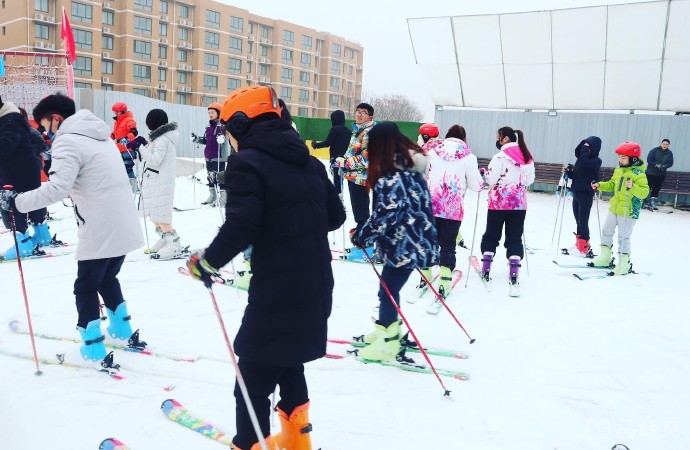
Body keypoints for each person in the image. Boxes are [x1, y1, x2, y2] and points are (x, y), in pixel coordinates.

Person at [185, 86, 345, 450]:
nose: (229, 138)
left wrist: (206, 262)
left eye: (229, 130)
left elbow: (243, 226)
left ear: (243, 124)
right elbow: (334, 216)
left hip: (278, 288)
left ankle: (251, 444)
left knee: (253, 379)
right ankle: (296, 442)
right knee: (289, 362)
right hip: (316, 283)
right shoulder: (309, 162)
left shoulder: (247, 163)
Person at [0, 93, 144, 363]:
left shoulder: (68, 140)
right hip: (122, 222)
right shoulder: (100, 136)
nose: (44, 132)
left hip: (100, 227)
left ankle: (92, 347)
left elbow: (57, 189)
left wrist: (18, 202)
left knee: (85, 286)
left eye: (44, 125)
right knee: (106, 278)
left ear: (56, 118)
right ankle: (121, 327)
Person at [351, 122, 438, 361]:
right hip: (416, 240)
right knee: (390, 289)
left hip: (404, 244)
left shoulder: (391, 174)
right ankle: (388, 329)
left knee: (387, 291)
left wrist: (363, 235)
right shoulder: (409, 166)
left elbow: (386, 214)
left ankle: (388, 344)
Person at [421, 124, 483, 306]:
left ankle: (425, 275)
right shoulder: (469, 157)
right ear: (464, 139)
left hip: (431, 205)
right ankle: (445, 282)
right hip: (452, 208)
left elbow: (422, 173)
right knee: (448, 245)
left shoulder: (432, 152)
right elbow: (476, 186)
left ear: (446, 137)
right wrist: (480, 176)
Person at [479, 126, 535, 287]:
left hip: (498, 203)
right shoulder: (527, 156)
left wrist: (484, 173)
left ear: (505, 139)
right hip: (518, 204)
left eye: (498, 137)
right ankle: (514, 271)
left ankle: (486, 267)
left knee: (491, 235)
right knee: (514, 237)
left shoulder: (499, 157)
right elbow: (530, 180)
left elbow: (490, 180)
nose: (497, 140)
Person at [0, 96, 52, 260]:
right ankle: (40, 235)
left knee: (13, 204)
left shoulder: (11, 120)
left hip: (17, 172)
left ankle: (23, 242)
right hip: (21, 169)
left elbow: (7, 144)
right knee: (30, 201)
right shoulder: (11, 119)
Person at [590, 142, 649, 275]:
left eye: (623, 158)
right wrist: (600, 185)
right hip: (615, 206)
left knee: (623, 237)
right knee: (606, 230)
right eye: (619, 157)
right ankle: (605, 258)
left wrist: (633, 186)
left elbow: (644, 193)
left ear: (633, 159)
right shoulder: (619, 170)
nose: (620, 160)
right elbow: (612, 185)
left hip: (629, 210)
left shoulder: (639, 174)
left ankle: (624, 264)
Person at [138, 109, 185, 260]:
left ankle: (174, 245)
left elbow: (155, 159)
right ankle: (165, 239)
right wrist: (143, 145)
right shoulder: (158, 138)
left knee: (161, 215)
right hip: (155, 181)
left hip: (161, 182)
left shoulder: (163, 139)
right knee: (154, 214)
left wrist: (139, 147)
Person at [334, 102, 376, 256]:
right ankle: (362, 243)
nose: (359, 114)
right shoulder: (358, 131)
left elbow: (366, 158)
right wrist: (341, 160)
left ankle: (366, 248)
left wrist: (345, 162)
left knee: (362, 214)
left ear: (370, 116)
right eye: (358, 111)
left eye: (363, 112)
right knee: (360, 213)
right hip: (353, 177)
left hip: (361, 178)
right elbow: (352, 153)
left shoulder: (368, 132)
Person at [564, 136, 602, 256]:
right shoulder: (580, 160)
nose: (584, 150)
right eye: (583, 148)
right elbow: (576, 175)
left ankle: (585, 247)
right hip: (576, 193)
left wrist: (585, 147)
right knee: (578, 221)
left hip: (586, 194)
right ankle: (579, 245)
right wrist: (568, 172)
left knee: (583, 221)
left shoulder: (596, 161)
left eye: (588, 148)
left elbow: (586, 164)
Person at [191, 102, 228, 207]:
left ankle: (223, 198)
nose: (210, 114)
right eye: (209, 113)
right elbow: (206, 140)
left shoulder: (223, 126)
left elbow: (227, 138)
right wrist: (196, 139)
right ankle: (212, 196)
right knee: (211, 176)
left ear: (218, 113)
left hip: (219, 156)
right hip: (209, 156)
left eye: (212, 112)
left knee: (220, 177)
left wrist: (223, 139)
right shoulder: (208, 126)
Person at [311, 110, 351, 198]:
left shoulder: (334, 129)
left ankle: (339, 201)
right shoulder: (349, 131)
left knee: (337, 181)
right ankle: (341, 199)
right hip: (345, 160)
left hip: (336, 159)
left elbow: (327, 143)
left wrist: (316, 145)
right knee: (341, 181)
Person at [110, 101, 140, 193]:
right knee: (119, 169)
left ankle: (134, 188)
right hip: (118, 149)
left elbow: (134, 132)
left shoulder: (129, 120)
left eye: (117, 112)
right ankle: (123, 188)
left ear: (123, 111)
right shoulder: (117, 122)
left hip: (128, 149)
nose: (115, 113)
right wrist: (108, 138)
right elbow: (114, 134)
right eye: (115, 111)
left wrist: (127, 138)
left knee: (128, 168)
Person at [644, 139, 673, 210]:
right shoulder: (654, 150)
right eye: (664, 144)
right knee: (647, 187)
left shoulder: (669, 153)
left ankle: (652, 202)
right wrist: (656, 165)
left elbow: (670, 163)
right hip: (650, 173)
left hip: (660, 174)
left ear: (668, 145)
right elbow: (649, 159)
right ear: (661, 144)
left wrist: (664, 166)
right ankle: (642, 201)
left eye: (666, 144)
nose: (665, 145)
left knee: (656, 189)